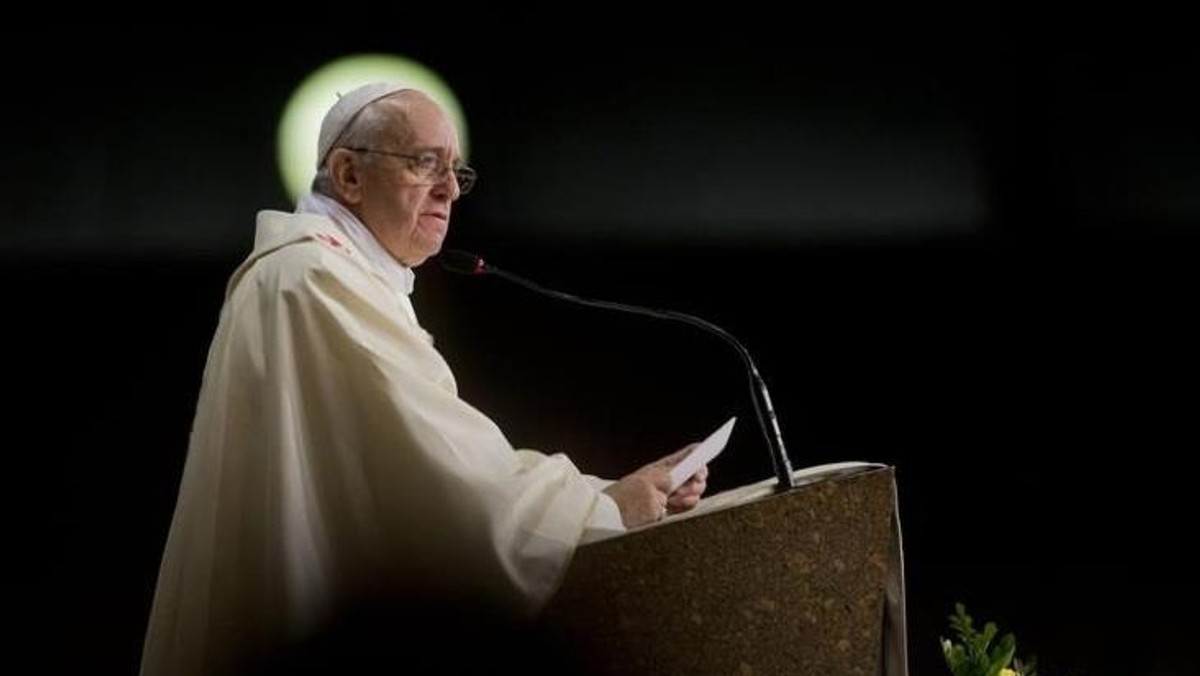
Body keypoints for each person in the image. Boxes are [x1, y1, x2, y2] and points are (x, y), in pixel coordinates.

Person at [138, 83, 710, 676]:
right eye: (424, 164)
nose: (447, 190)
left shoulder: (335, 272)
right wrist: (602, 509)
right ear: (349, 175)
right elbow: (442, 479)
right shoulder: (312, 278)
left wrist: (605, 494)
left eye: (456, 172)